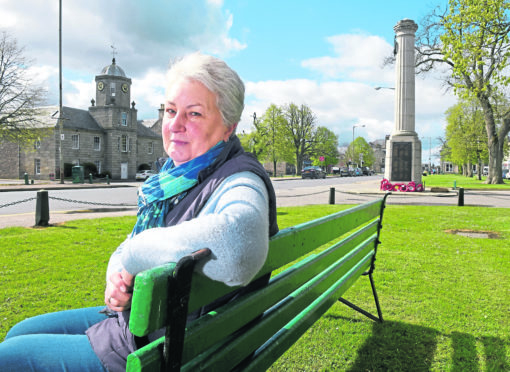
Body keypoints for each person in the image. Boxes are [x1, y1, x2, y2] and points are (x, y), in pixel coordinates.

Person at [0, 53, 278, 372]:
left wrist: (134, 254)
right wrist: (116, 276)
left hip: (161, 350)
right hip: (154, 325)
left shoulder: (240, 178)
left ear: (229, 126)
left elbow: (238, 249)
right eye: (171, 110)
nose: (174, 125)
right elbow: (134, 243)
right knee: (19, 331)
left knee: (8, 357)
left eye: (195, 113)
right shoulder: (177, 178)